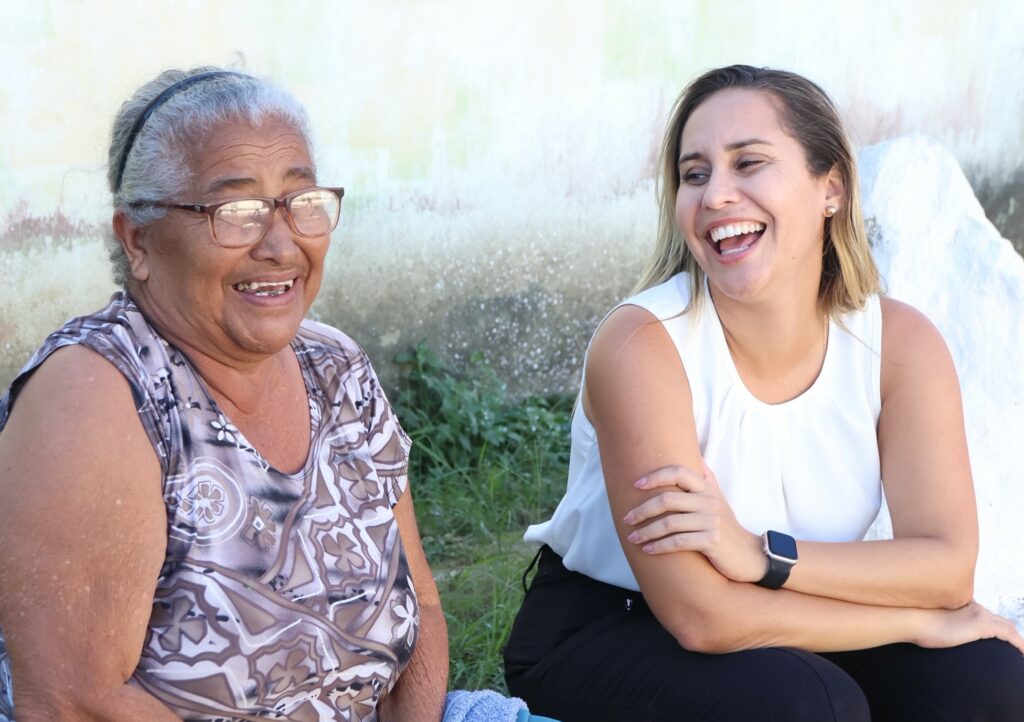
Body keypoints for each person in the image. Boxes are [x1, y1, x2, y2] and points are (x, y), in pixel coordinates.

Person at [503, 65, 1024, 722]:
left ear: (829, 186)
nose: (716, 194)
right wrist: (916, 619)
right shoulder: (642, 345)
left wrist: (759, 553)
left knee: (985, 677)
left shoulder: (900, 343)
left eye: (748, 163)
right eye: (694, 175)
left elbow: (947, 568)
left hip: (793, 613)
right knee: (811, 704)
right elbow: (700, 616)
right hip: (614, 627)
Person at [0, 67, 449, 721]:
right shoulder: (95, 395)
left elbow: (422, 604)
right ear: (139, 240)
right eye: (235, 211)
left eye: (302, 202)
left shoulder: (336, 365)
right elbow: (74, 703)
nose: (279, 244)